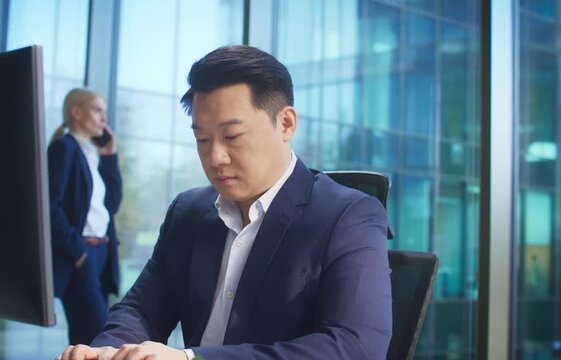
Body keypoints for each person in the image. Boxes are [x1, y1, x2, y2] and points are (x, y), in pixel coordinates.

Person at [57, 45, 391, 360]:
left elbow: (355, 347)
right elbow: (140, 309)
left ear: (286, 123)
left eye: (232, 137)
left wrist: (192, 358)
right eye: (202, 139)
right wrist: (107, 351)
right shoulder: (188, 212)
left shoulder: (349, 216)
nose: (215, 157)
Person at [48, 88, 123, 345]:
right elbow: (50, 207)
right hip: (81, 254)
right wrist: (78, 252)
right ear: (76, 112)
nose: (104, 118)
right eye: (97, 110)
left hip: (102, 252)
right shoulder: (64, 148)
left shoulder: (92, 153)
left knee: (86, 339)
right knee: (98, 337)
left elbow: (112, 203)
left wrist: (110, 157)